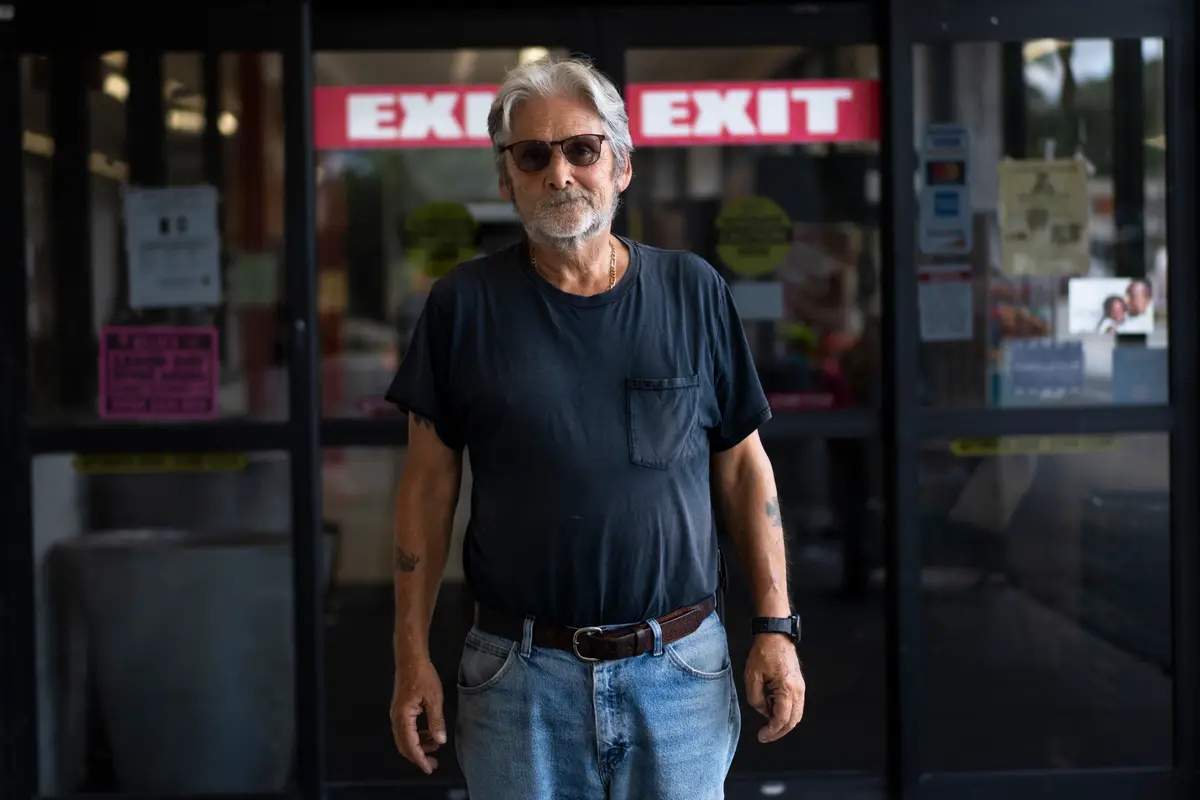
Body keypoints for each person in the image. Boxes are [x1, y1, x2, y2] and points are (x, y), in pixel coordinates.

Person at [385, 55, 805, 800]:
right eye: (533, 154)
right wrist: (409, 653)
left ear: (622, 166)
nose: (560, 173)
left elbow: (745, 470)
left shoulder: (693, 291)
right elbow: (426, 488)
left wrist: (776, 627)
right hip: (517, 680)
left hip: (679, 672)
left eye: (582, 148)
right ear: (505, 175)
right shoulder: (463, 307)